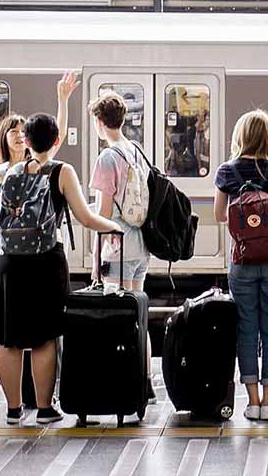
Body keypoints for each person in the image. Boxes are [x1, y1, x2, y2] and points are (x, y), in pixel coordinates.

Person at [0, 113, 120, 425]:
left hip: (8, 260)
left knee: (8, 338)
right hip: (44, 260)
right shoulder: (62, 171)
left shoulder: (11, 173)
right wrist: (114, 226)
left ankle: (12, 410)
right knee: (43, 336)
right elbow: (86, 217)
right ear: (57, 140)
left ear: (26, 141)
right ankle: (45, 408)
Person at [214, 110, 268, 422]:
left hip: (242, 260)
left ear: (240, 136)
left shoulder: (227, 171)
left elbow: (220, 216)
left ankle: (251, 402)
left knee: (246, 329)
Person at [86, 91, 157, 404]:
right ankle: (146, 381)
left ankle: (127, 382)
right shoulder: (136, 150)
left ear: (100, 123)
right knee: (138, 312)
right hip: (141, 244)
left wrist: (94, 258)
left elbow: (102, 214)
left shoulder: (108, 157)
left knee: (121, 314)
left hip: (117, 244)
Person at [0, 71, 80, 215]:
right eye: (13, 131)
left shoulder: (40, 162)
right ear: (4, 137)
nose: (19, 136)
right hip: (10, 234)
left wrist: (63, 100)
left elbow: (60, 134)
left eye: (23, 132)